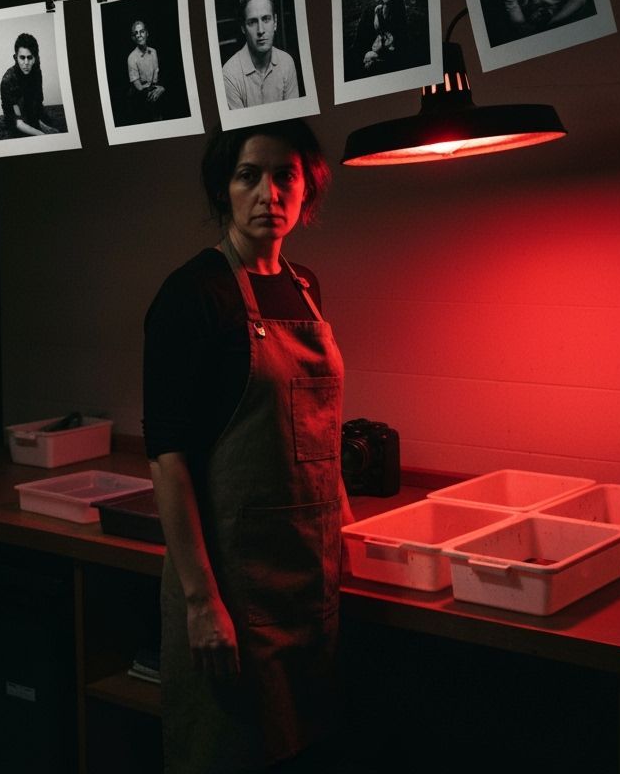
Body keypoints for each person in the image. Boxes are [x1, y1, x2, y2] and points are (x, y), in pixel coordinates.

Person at [144, 120, 352, 773]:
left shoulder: (306, 287)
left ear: (306, 187)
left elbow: (320, 430)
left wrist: (351, 536)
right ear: (223, 189)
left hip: (305, 583)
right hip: (231, 590)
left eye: (284, 175)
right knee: (227, 753)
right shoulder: (193, 295)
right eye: (248, 175)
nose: (268, 192)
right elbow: (167, 458)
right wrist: (202, 603)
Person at [222, 0, 300, 109]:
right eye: (252, 22)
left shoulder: (287, 62)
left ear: (275, 22)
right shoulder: (229, 75)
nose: (260, 30)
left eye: (266, 19)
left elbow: (294, 118)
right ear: (243, 27)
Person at [0, 32, 59, 136]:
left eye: (30, 58)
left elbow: (38, 103)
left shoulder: (36, 72)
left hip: (34, 116)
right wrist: (42, 135)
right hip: (17, 123)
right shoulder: (8, 81)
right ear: (15, 57)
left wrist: (44, 126)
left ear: (35, 58)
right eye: (22, 58)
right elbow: (18, 121)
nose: (26, 63)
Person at [353, 0, 408, 76]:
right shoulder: (370, 13)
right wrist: (366, 54)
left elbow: (401, 44)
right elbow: (360, 40)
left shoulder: (400, 14)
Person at [126, 19, 166, 123]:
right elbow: (138, 88)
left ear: (147, 33)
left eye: (142, 31)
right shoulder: (131, 57)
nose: (139, 35)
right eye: (136, 33)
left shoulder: (153, 52)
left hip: (154, 92)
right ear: (133, 38)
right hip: (140, 98)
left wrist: (161, 88)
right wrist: (156, 92)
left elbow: (157, 75)